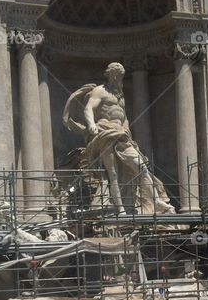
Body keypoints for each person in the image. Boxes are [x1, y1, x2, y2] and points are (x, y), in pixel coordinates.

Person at [63, 62, 174, 215]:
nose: (118, 78)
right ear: (110, 75)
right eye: (116, 75)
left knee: (140, 166)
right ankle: (120, 209)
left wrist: (127, 129)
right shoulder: (100, 91)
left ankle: (156, 200)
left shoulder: (120, 95)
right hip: (105, 132)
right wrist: (91, 124)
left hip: (122, 135)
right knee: (113, 173)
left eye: (121, 76)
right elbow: (88, 108)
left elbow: (124, 117)